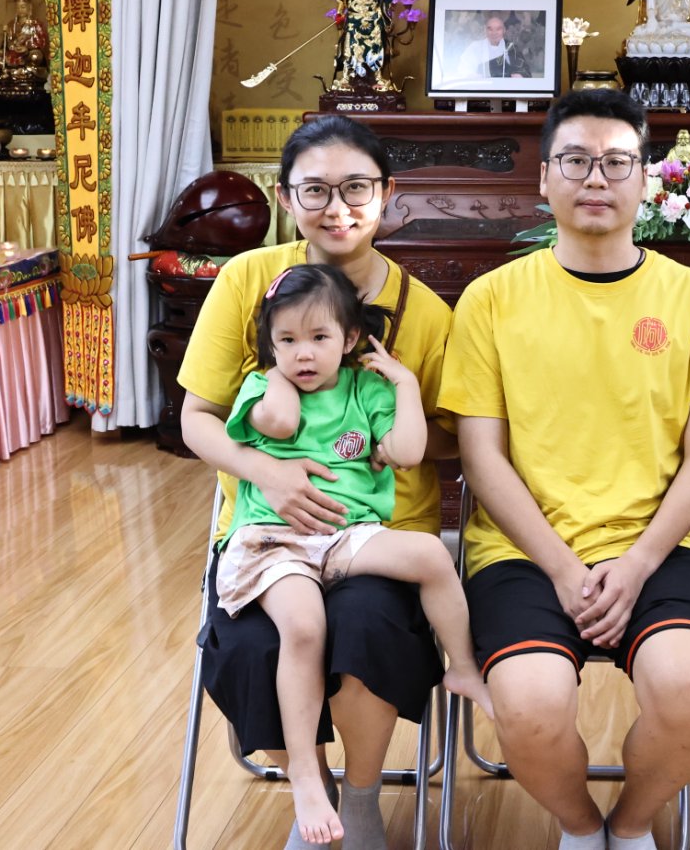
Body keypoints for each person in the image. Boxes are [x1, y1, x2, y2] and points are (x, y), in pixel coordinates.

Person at [438, 88, 690, 850]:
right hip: (522, 552)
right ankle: (579, 828)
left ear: (648, 180)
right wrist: (564, 568)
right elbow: (481, 457)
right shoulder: (490, 301)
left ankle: (631, 827)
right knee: (530, 707)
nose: (596, 178)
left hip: (655, 548)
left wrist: (637, 564)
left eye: (617, 163)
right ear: (544, 178)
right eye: (575, 161)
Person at [179, 114, 456, 850]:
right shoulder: (247, 281)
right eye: (315, 190)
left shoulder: (426, 314)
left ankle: (359, 801)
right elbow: (198, 418)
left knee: (366, 631)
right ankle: (314, 788)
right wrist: (267, 469)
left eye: (357, 188)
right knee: (257, 650)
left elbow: (450, 435)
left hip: (378, 534)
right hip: (266, 534)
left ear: (388, 193)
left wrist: (385, 433)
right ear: (285, 196)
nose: (337, 208)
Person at [216, 263, 492, 845]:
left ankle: (464, 668)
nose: (304, 353)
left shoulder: (367, 390)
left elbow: (409, 451)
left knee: (430, 555)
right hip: (274, 544)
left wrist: (405, 385)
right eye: (287, 339)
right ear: (270, 345)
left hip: (344, 538)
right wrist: (278, 371)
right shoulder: (263, 388)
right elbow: (280, 423)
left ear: (349, 339)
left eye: (319, 337)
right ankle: (306, 777)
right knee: (304, 626)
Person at [455, 14, 527, 79]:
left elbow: (524, 71)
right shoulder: (475, 47)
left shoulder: (512, 48)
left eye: (498, 29)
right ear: (485, 30)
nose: (494, 33)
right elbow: (463, 69)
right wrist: (473, 76)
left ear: (504, 30)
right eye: (490, 29)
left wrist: (520, 76)